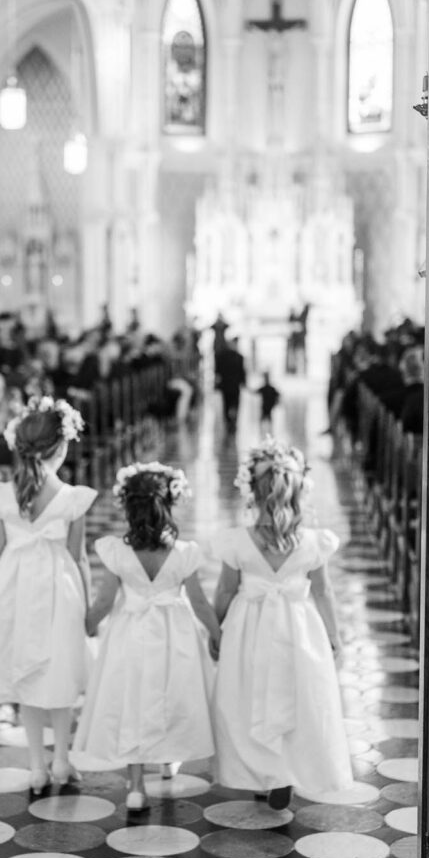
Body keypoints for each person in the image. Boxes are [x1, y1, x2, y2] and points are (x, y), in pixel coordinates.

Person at [0, 396, 96, 794]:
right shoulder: (72, 497)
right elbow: (79, 556)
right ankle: (62, 761)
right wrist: (88, 607)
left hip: (12, 589)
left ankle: (37, 766)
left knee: (26, 674)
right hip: (59, 589)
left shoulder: (2, 494)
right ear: (62, 447)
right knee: (60, 673)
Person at [212, 438, 352, 810]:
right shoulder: (311, 541)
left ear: (252, 494)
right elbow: (323, 592)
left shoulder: (238, 540)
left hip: (249, 629)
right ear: (297, 493)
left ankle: (263, 771)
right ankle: (285, 771)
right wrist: (335, 637)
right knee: (297, 696)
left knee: (251, 694)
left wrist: (216, 627)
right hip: (298, 626)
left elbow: (226, 590)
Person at [74, 462, 220, 812]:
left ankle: (136, 786)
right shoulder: (184, 553)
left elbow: (105, 602)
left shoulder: (118, 552)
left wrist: (84, 624)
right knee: (171, 694)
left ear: (128, 508)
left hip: (130, 634)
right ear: (167, 506)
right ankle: (166, 758)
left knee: (132, 701)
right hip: (177, 637)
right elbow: (199, 602)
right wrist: (218, 633)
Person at [214, 337, 247, 434]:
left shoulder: (223, 356)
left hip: (229, 385)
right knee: (232, 403)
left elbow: (217, 372)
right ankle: (231, 420)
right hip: (231, 385)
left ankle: (230, 420)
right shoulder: (237, 357)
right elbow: (218, 372)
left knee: (228, 403)